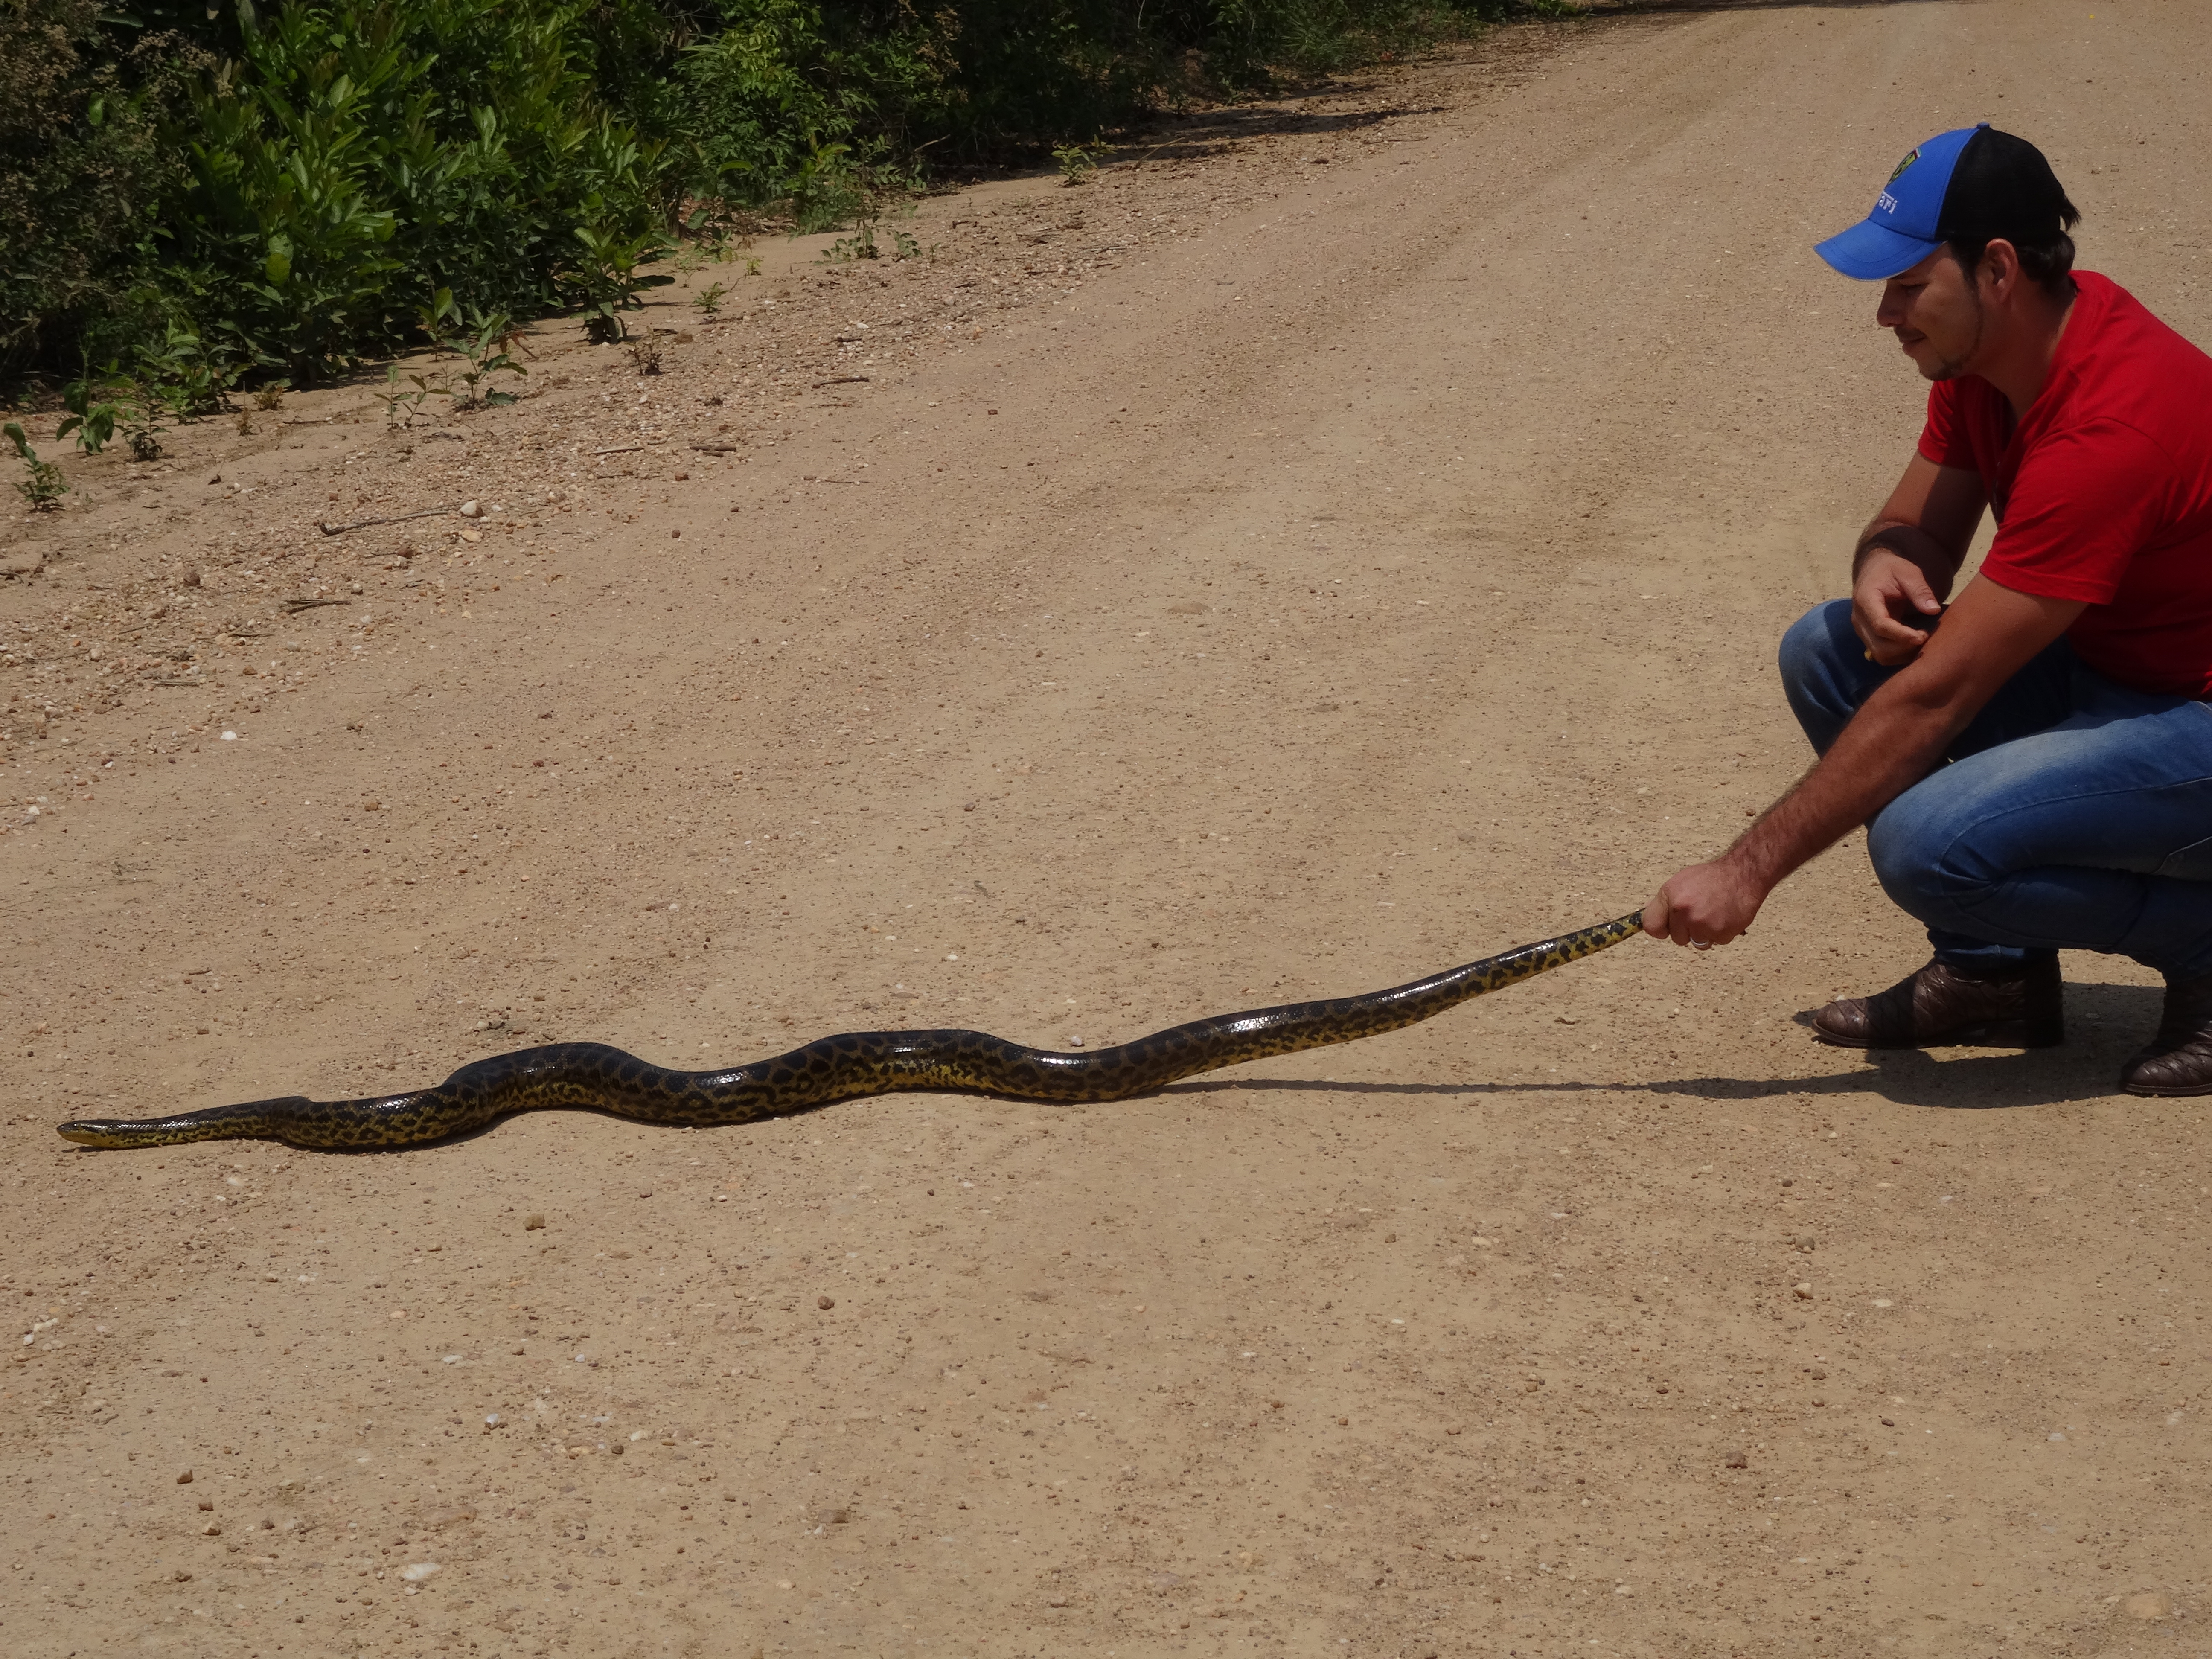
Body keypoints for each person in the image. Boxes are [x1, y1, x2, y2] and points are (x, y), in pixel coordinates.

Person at [1643, 123, 2212, 1094]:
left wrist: (1745, 870)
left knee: (1929, 844)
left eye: (1909, 285)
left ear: (1997, 268)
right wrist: (1883, 565)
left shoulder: (2114, 424)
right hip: (2116, 678)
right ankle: (1994, 976)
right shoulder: (1995, 361)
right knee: (1828, 648)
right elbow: (1912, 527)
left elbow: (1938, 701)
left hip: (2192, 717)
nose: (1886, 315)